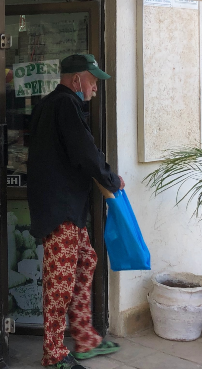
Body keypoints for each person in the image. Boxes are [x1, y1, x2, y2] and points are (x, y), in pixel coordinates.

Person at [27, 54, 123, 369]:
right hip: (60, 211)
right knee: (61, 281)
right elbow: (85, 153)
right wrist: (110, 178)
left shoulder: (48, 105)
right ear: (77, 80)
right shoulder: (65, 105)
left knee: (86, 263)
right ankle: (53, 354)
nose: (96, 86)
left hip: (66, 208)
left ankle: (84, 337)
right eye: (93, 80)